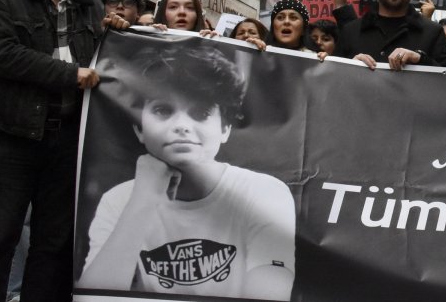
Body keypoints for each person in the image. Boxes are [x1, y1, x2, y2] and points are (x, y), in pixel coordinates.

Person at [77, 45, 294, 299]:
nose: (181, 126)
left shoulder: (264, 192)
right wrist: (142, 202)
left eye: (200, 113)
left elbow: (270, 295)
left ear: (225, 128)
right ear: (139, 128)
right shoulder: (117, 200)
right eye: (162, 110)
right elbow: (93, 298)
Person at [0, 0, 105, 302]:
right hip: (13, 139)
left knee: (52, 244)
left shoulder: (91, 5)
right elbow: (5, 57)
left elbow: (104, 56)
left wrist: (123, 31)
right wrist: (69, 74)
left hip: (66, 142)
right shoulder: (4, 2)